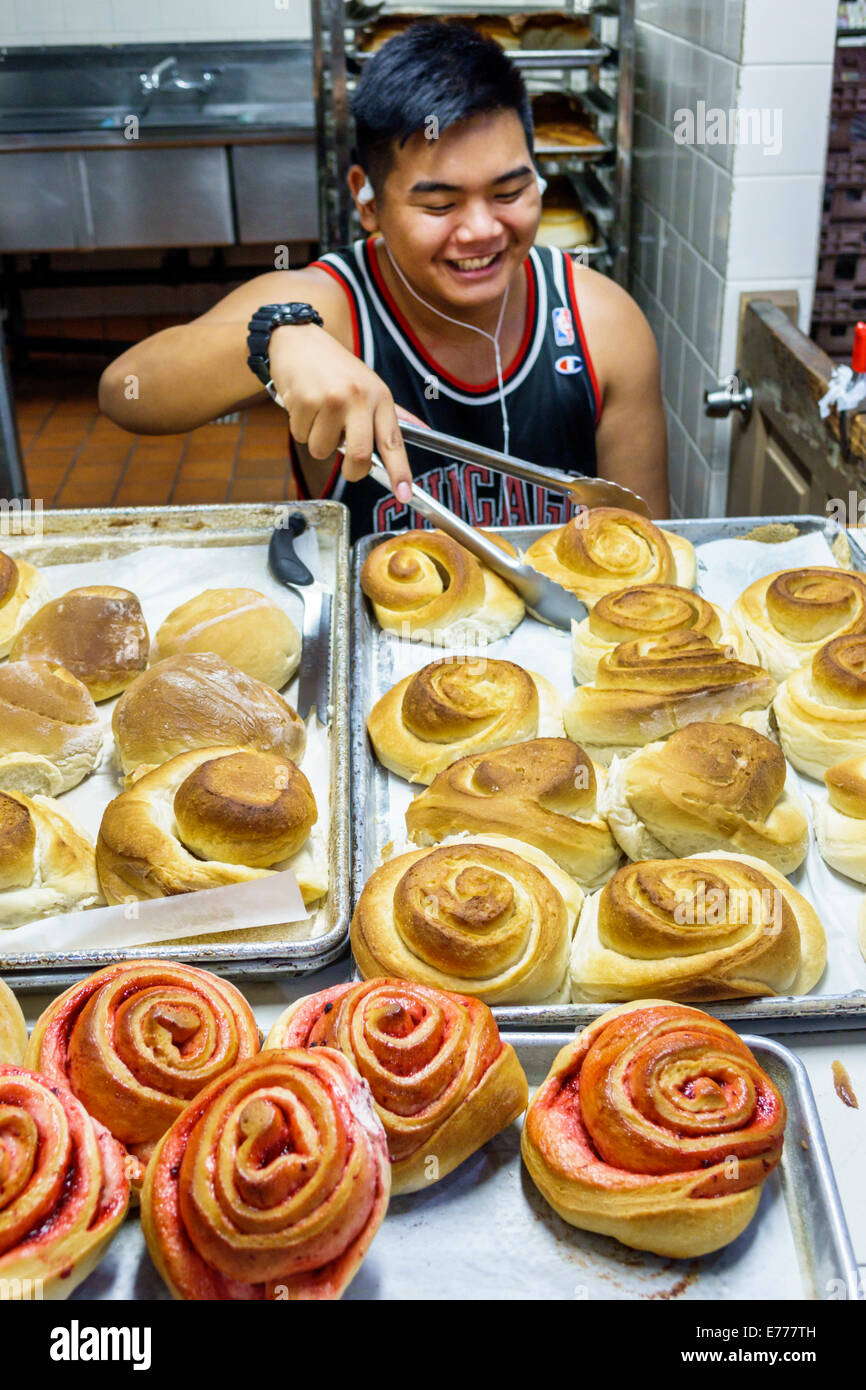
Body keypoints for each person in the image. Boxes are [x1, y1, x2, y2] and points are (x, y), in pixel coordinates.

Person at [99, 20, 668, 541]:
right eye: (440, 204)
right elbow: (127, 391)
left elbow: (649, 553)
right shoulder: (335, 307)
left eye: (509, 193)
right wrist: (279, 340)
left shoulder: (599, 323)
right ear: (366, 201)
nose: (481, 230)